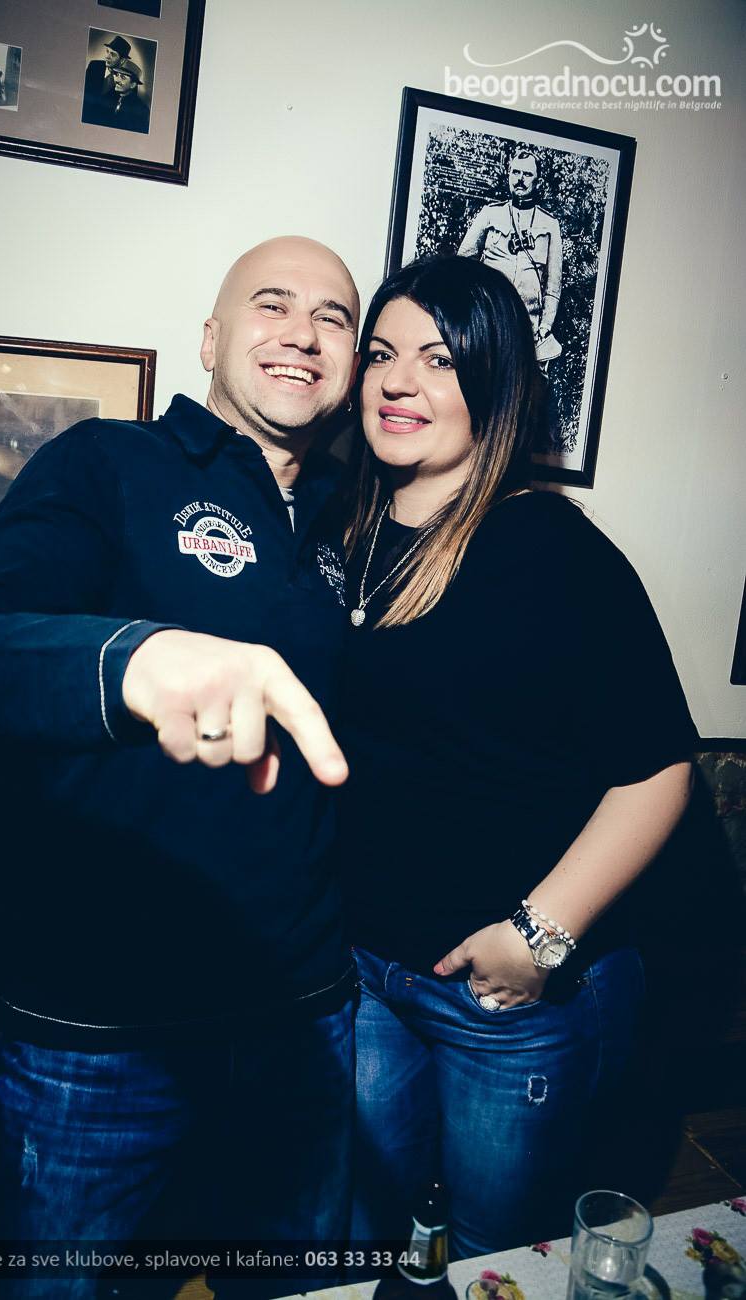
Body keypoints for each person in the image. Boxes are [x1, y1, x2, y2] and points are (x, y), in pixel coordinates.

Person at [0, 235, 360, 1296]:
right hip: (100, 1038)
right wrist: (133, 660)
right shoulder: (110, 464)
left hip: (301, 1018)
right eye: (272, 303)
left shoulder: (347, 517)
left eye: (332, 316)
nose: (302, 332)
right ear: (210, 339)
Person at [337, 254, 696, 1259]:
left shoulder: (553, 552)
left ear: (492, 384)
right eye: (381, 354)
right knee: (370, 1225)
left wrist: (538, 936)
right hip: (363, 968)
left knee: (498, 1250)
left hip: (502, 997)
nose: (398, 381)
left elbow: (657, 769)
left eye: (439, 360)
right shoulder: (341, 527)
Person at [458, 149, 563, 367]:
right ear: (508, 175)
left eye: (527, 174)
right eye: (516, 172)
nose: (520, 179)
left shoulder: (549, 224)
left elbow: (553, 285)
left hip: (528, 327)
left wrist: (546, 326)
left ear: (537, 180)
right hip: (489, 319)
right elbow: (461, 266)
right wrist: (470, 309)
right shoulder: (490, 214)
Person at [82, 33, 130, 125]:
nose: (107, 56)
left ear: (122, 60)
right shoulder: (94, 65)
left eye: (113, 54)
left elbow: (124, 112)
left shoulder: (128, 80)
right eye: (107, 51)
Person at [107, 58, 151, 133]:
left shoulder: (141, 110)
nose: (117, 80)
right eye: (117, 75)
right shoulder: (107, 98)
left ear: (133, 84)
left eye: (123, 77)